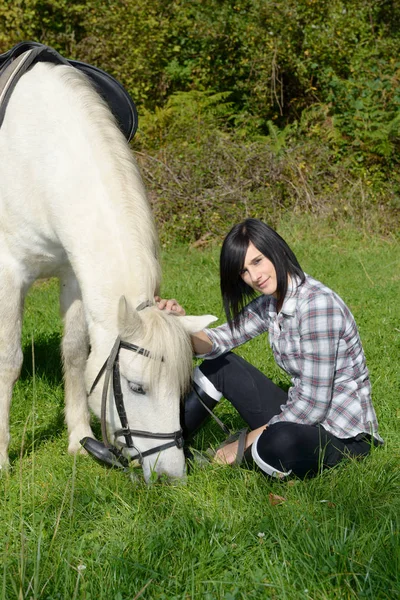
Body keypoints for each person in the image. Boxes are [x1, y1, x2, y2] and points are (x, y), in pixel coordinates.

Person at [157, 218, 383, 479]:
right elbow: (218, 340)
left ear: (276, 250)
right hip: (307, 415)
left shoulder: (317, 305)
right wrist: (177, 326)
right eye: (244, 271)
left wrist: (242, 444)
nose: (254, 277)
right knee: (219, 366)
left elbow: (313, 405)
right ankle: (161, 444)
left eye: (257, 261)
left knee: (279, 441)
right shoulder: (271, 303)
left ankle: (235, 457)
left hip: (344, 435)